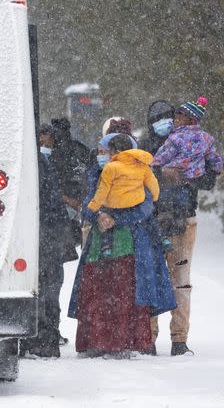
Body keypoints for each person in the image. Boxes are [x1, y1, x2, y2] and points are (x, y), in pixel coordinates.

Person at [69, 132, 175, 357]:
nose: (100, 156)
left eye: (103, 152)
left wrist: (115, 219)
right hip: (99, 246)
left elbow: (146, 208)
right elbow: (88, 204)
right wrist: (98, 216)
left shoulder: (138, 172)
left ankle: (123, 343)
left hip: (130, 244)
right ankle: (97, 343)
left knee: (123, 293)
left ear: (116, 153)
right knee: (97, 293)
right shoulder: (98, 173)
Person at [150, 96, 223, 356]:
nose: (168, 122)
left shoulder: (170, 142)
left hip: (172, 218)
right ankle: (159, 338)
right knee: (167, 278)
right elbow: (214, 167)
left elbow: (155, 165)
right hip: (160, 219)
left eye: (174, 117)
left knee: (172, 280)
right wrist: (196, 173)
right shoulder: (204, 139)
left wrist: (174, 176)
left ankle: (175, 339)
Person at [21, 129, 78, 358]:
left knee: (39, 287)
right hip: (49, 233)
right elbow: (52, 199)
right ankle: (48, 339)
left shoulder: (31, 162)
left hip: (37, 234)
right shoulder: (42, 162)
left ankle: (35, 339)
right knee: (50, 287)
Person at [87, 135, 160, 258]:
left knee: (108, 224)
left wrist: (94, 207)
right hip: (135, 203)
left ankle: (106, 246)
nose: (106, 157)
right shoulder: (142, 165)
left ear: (116, 152)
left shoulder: (110, 167)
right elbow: (153, 183)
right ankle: (161, 238)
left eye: (106, 152)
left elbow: (102, 191)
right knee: (152, 221)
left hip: (116, 208)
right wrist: (155, 196)